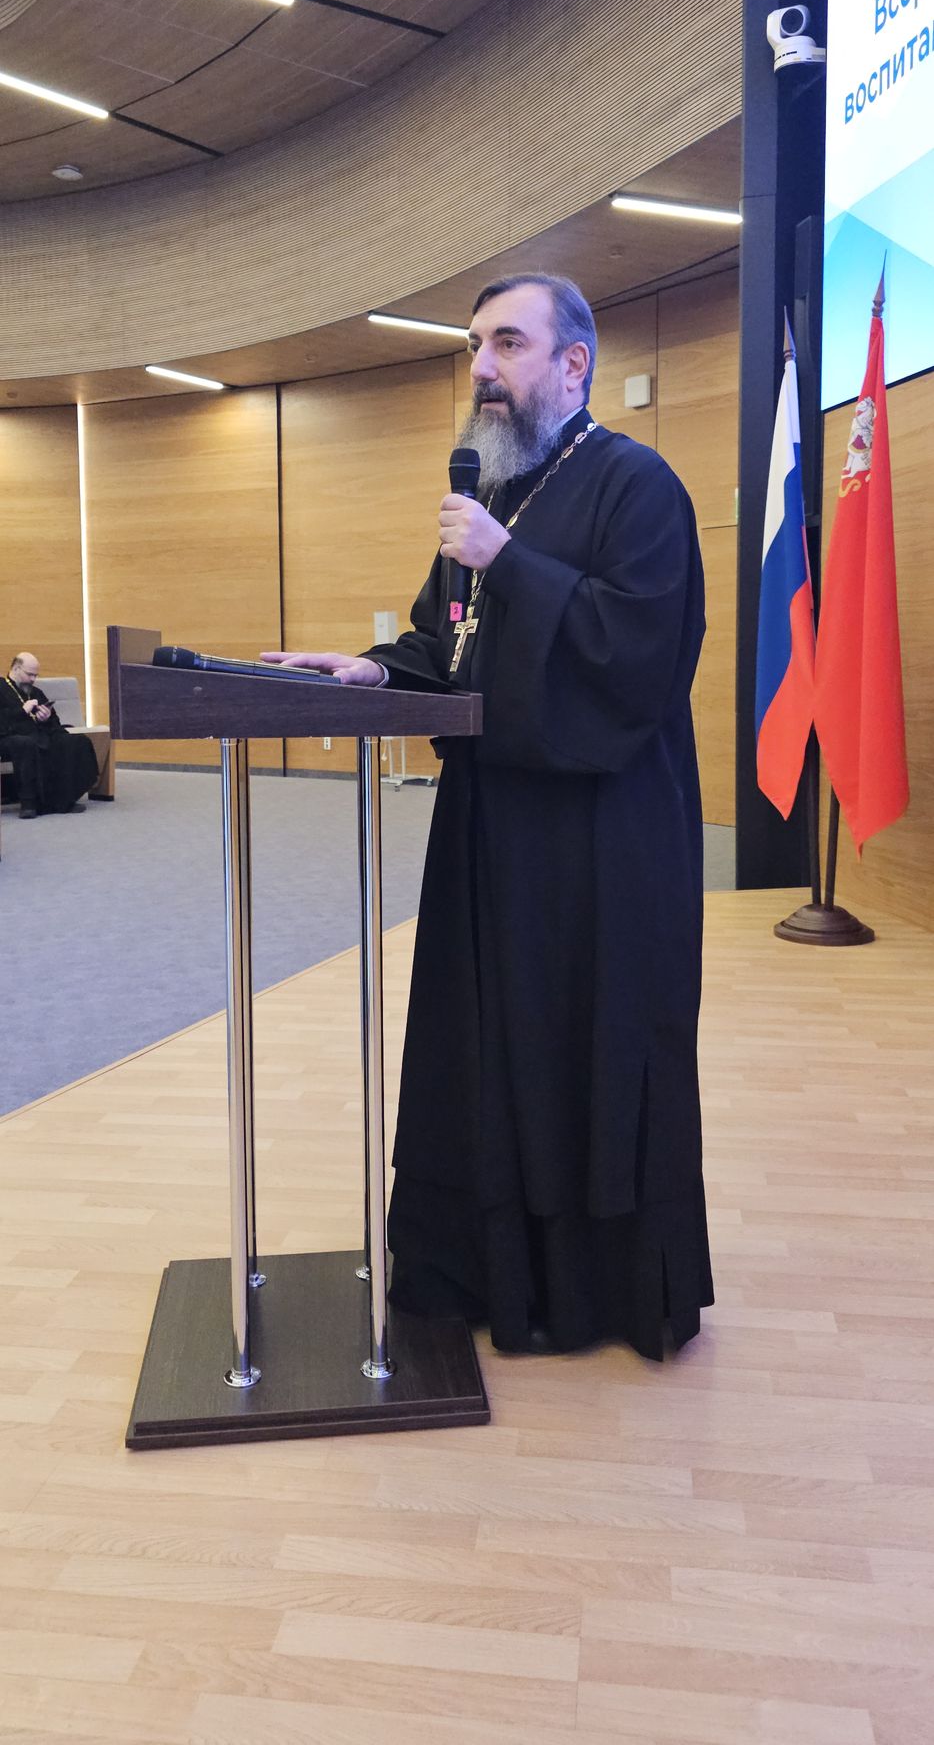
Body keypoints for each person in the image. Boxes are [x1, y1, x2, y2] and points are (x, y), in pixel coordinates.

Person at [265, 274, 712, 1359]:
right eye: (474, 346)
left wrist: (507, 561)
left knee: (584, 1047)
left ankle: (589, 1292)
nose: (480, 368)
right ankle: (479, 1267)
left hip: (600, 843)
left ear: (574, 362)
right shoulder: (494, 497)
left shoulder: (637, 484)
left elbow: (639, 653)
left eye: (507, 343)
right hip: (487, 831)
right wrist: (374, 669)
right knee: (484, 1050)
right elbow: (448, 642)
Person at [0, 654, 98, 819]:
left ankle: (64, 800)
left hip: (38, 735)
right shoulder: (1, 688)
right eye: (29, 674)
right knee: (26, 743)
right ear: (16, 669)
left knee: (75, 741)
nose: (33, 679)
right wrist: (22, 711)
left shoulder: (36, 692)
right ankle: (29, 804)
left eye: (36, 675)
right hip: (8, 738)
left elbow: (54, 723)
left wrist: (45, 718)